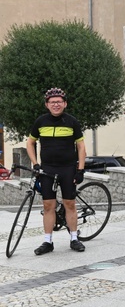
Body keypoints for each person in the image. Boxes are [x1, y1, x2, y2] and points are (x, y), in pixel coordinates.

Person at [26, 88, 87, 255]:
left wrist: (80, 169)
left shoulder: (72, 121)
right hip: (47, 169)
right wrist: (35, 164)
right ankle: (48, 242)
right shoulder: (40, 122)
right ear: (47, 105)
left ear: (65, 104)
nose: (56, 104)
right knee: (48, 205)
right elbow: (30, 143)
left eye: (59, 101)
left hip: (68, 168)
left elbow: (81, 146)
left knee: (69, 204)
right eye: (52, 102)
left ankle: (74, 238)